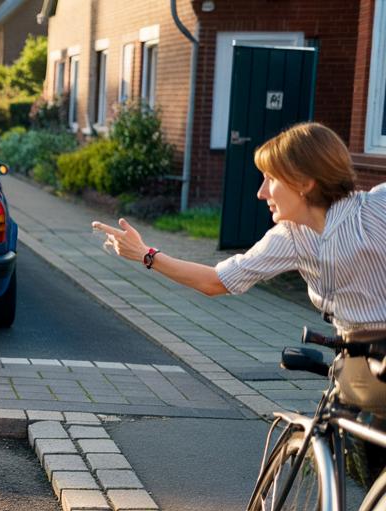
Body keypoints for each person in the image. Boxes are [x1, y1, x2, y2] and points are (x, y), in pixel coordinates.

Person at [93, 122, 386, 480]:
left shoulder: (296, 236)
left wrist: (145, 255)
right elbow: (218, 280)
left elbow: (215, 282)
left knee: (359, 462)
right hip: (369, 369)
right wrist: (145, 253)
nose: (262, 192)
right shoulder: (366, 207)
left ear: (306, 182)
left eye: (270, 179)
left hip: (366, 372)